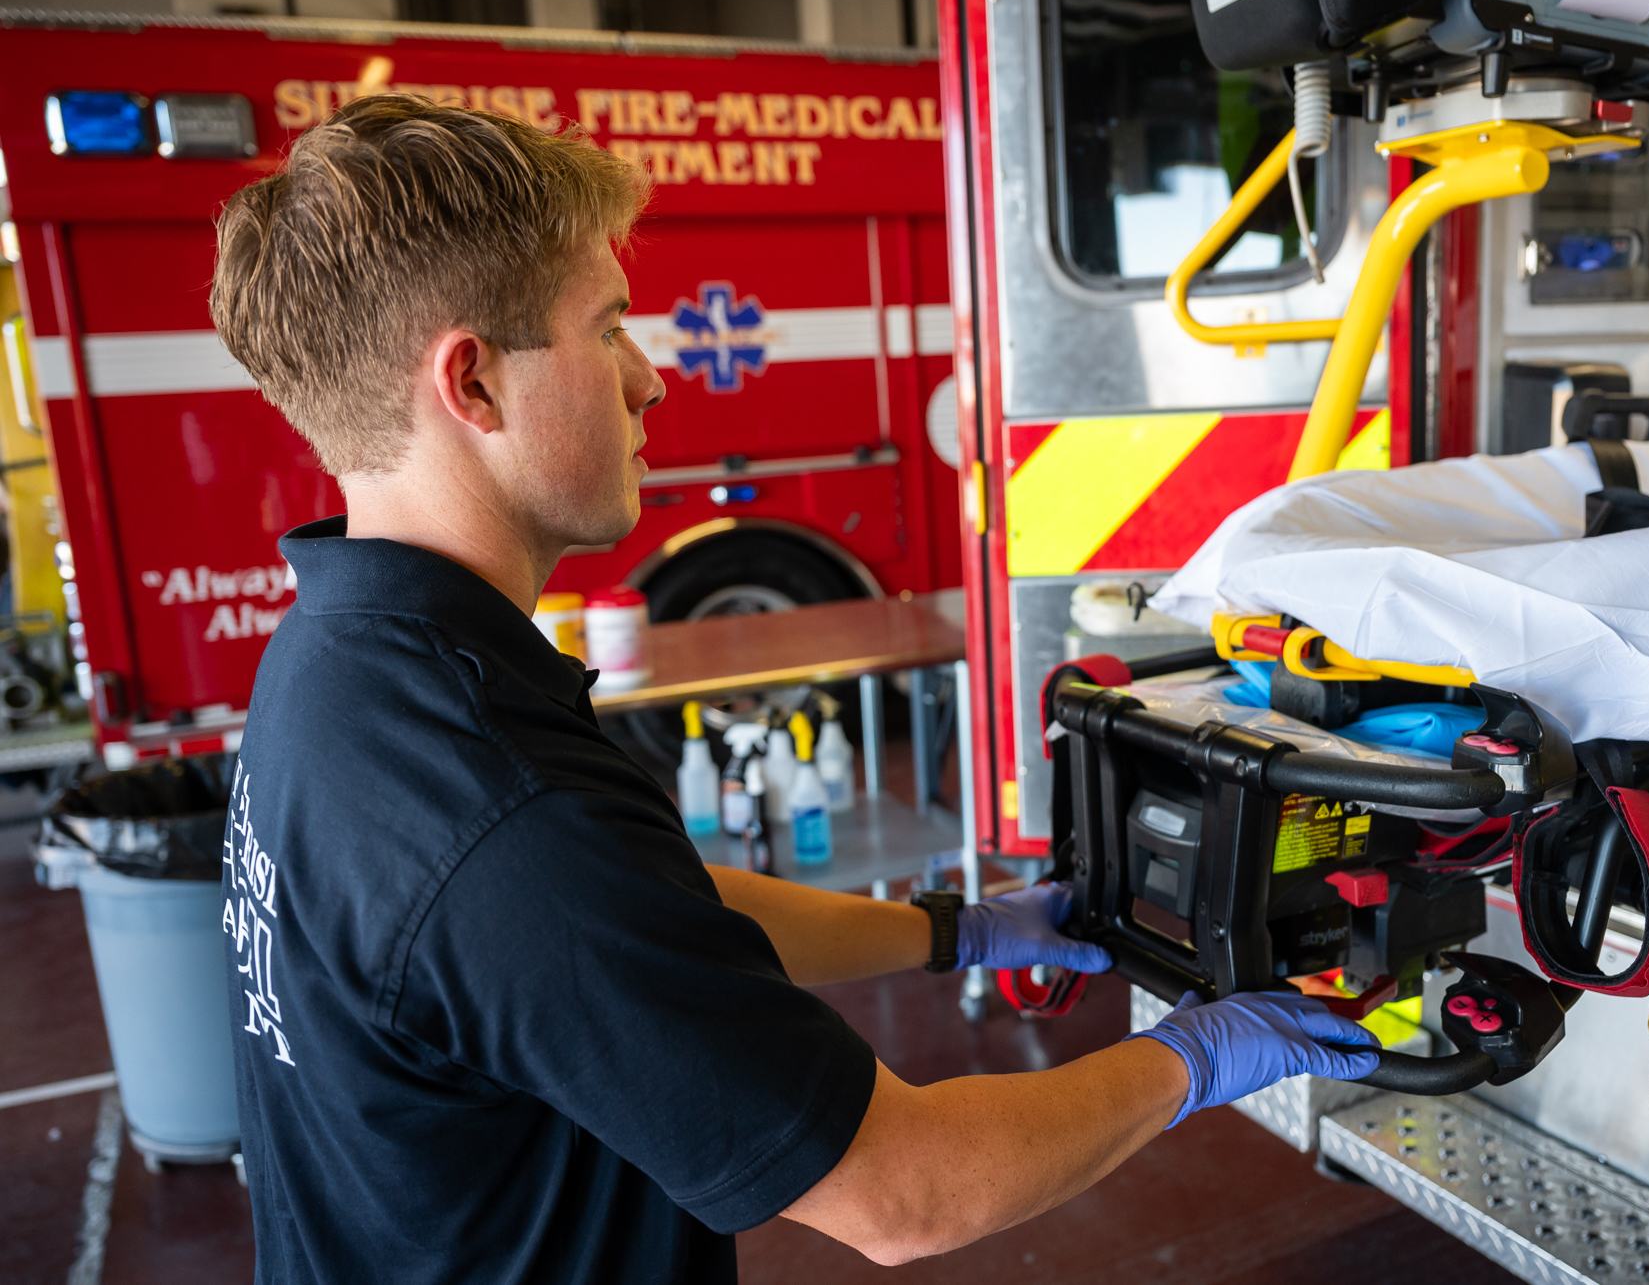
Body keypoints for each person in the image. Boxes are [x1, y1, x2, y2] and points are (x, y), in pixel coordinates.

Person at [208, 93, 1379, 1284]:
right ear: (473, 385)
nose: (646, 378)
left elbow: (638, 925)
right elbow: (908, 1190)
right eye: (606, 326)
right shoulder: (496, 809)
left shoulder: (330, 667)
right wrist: (1194, 1056)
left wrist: (953, 928)